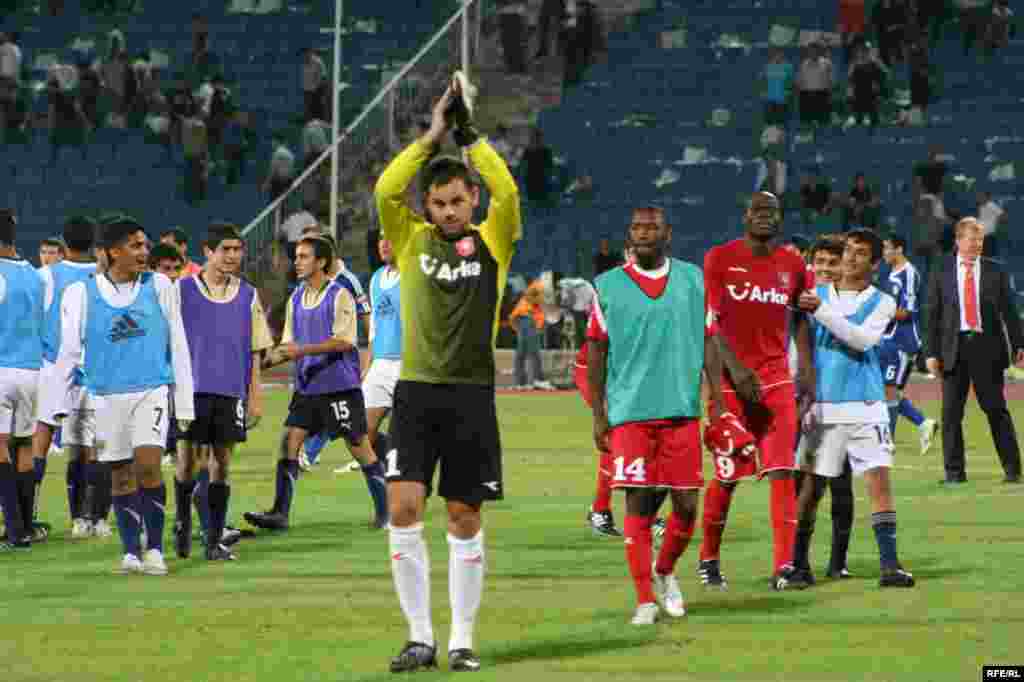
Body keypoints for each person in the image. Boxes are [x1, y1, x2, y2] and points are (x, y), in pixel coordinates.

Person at [375, 74, 520, 673]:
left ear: (472, 202)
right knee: (404, 507)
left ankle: (461, 639)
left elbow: (507, 193)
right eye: (439, 203)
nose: (450, 210)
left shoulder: (494, 240)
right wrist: (433, 137)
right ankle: (420, 637)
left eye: (459, 201)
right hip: (416, 392)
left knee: (463, 515)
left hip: (470, 396)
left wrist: (470, 138)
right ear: (427, 208)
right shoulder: (409, 240)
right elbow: (386, 190)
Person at [588, 206, 724, 624]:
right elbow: (596, 349)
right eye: (637, 228)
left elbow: (709, 339)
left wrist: (717, 396)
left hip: (681, 409)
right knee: (639, 504)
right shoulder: (607, 285)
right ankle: (645, 600)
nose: (644, 233)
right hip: (630, 412)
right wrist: (599, 412)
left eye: (652, 227)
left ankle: (664, 572)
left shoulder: (693, 279)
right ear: (629, 236)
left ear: (668, 234)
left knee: (686, 507)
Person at [55, 215, 195, 575]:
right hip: (105, 395)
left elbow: (177, 342)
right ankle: (131, 551)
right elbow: (68, 353)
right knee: (120, 475)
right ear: (113, 252)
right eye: (136, 245)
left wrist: (185, 400)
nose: (144, 252)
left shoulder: (160, 285)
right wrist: (56, 404)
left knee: (148, 465)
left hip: (151, 389)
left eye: (144, 245)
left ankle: (155, 551)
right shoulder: (81, 294)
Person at [698, 191, 815, 591]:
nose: (765, 218)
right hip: (731, 383)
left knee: (783, 470)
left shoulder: (793, 263)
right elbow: (709, 324)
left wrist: (807, 369)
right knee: (728, 475)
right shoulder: (719, 259)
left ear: (780, 219)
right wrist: (733, 373)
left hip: (776, 377)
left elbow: (801, 315)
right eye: (758, 212)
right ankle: (708, 559)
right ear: (745, 216)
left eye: (772, 213)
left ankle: (784, 566)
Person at [793, 228, 915, 588]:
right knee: (812, 488)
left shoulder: (882, 301)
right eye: (848, 251)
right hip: (823, 405)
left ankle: (890, 566)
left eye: (860, 253)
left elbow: (862, 341)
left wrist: (822, 313)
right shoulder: (814, 294)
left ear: (874, 263)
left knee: (878, 480)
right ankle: (799, 564)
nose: (850, 258)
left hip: (866, 404)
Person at [244, 236, 386, 530]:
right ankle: (280, 514)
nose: (297, 261)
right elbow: (288, 346)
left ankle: (386, 513)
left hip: (339, 388)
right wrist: (255, 365)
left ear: (320, 262)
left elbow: (345, 342)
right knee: (289, 443)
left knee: (360, 448)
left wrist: (303, 351)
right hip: (308, 388)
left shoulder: (340, 295)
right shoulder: (296, 298)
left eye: (304, 256)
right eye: (296, 256)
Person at [174, 224, 272, 561]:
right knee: (187, 464)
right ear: (208, 251)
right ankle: (183, 522)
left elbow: (257, 349)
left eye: (237, 249)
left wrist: (255, 393)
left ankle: (213, 540)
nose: (232, 256)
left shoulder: (247, 294)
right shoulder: (182, 290)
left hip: (230, 390)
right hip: (192, 390)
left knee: (222, 463)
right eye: (225, 249)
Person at [925, 218, 1024, 485]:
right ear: (958, 240)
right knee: (950, 414)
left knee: (996, 409)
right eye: (971, 239)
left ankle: (1013, 470)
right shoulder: (941, 268)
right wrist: (931, 353)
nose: (977, 245)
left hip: (987, 349)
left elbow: (1010, 312)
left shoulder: (996, 270)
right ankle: (954, 474)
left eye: (980, 240)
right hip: (952, 349)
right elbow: (932, 313)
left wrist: (1019, 344)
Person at [33, 216, 101, 542]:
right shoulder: (102, 276)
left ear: (63, 242)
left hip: (52, 367)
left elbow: (29, 319)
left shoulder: (45, 275)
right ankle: (84, 518)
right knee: (84, 447)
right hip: (92, 370)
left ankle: (25, 514)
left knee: (40, 440)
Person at [793, 235, 857, 580]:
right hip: (802, 402)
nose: (826, 269)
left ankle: (837, 562)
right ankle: (798, 561)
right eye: (820, 262)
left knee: (840, 484)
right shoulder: (799, 300)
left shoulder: (854, 301)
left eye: (833, 262)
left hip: (842, 402)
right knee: (804, 486)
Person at [0, 209, 44, 551]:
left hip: (1, 367)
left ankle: (14, 530)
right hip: (31, 370)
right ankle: (27, 527)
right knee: (25, 445)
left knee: (1, 447)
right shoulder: (34, 274)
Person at [880, 235, 938, 453]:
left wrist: (878, 312)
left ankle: (888, 442)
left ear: (899, 249)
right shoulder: (891, 274)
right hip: (889, 340)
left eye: (886, 248)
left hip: (902, 342)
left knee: (889, 390)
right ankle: (923, 424)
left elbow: (906, 311)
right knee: (887, 390)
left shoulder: (909, 274)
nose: (884, 253)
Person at [349, 238, 400, 477]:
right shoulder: (377, 278)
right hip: (380, 364)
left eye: (391, 238)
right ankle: (385, 473)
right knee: (360, 431)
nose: (384, 244)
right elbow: (375, 328)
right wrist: (367, 365)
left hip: (408, 365)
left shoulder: (414, 277)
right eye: (380, 238)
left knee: (408, 433)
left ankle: (401, 473)